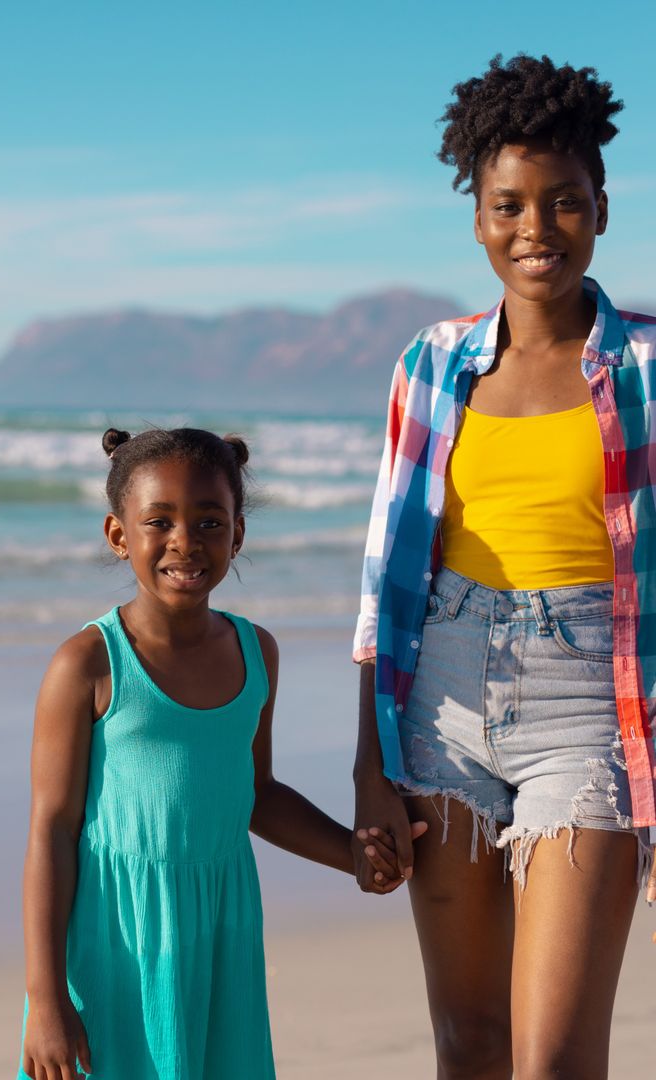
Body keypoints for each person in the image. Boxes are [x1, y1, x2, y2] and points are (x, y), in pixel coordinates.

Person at [351, 54, 656, 1080]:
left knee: (557, 1058)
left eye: (565, 202)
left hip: (590, 710)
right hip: (441, 698)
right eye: (510, 205)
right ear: (478, 219)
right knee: (469, 1045)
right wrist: (370, 766)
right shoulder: (429, 363)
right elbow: (384, 580)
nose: (538, 228)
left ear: (602, 210)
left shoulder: (652, 369)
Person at [20, 426, 423, 1080]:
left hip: (222, 934)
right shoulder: (89, 663)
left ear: (237, 536)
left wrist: (349, 851)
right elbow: (51, 830)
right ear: (118, 536)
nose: (186, 541)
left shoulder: (255, 652)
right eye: (160, 521)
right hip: (118, 939)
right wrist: (45, 999)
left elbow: (256, 793)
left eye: (210, 521)